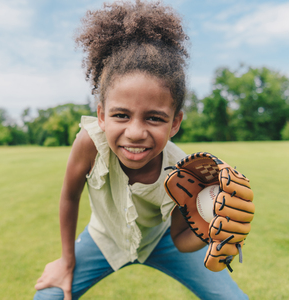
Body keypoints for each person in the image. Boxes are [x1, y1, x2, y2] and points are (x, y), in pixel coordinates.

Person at [34, 1, 248, 299]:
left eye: (154, 118)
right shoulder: (89, 143)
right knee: (49, 296)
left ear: (175, 123)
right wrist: (66, 260)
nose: (135, 133)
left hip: (160, 241)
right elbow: (70, 196)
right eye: (121, 115)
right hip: (103, 239)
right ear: (101, 116)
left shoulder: (182, 171)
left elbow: (179, 238)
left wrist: (211, 228)